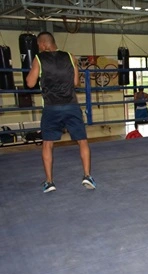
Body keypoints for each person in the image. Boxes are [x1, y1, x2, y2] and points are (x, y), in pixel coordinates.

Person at [26, 31, 96, 193]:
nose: (38, 48)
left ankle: (49, 182)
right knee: (82, 141)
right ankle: (87, 176)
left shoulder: (39, 58)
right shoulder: (70, 57)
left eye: (38, 45)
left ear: (43, 44)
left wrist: (36, 71)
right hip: (71, 105)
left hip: (51, 107)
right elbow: (76, 82)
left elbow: (30, 83)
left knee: (48, 144)